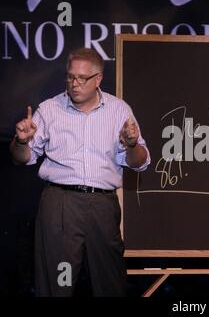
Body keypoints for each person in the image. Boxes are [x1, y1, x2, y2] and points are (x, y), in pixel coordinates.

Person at [9, 47, 150, 297]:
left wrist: (131, 145)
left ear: (98, 79)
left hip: (102, 204)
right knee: (56, 284)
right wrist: (21, 142)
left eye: (82, 78)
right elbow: (22, 159)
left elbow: (140, 162)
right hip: (60, 204)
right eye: (70, 77)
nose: (74, 84)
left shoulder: (119, 110)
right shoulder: (50, 109)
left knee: (110, 283)